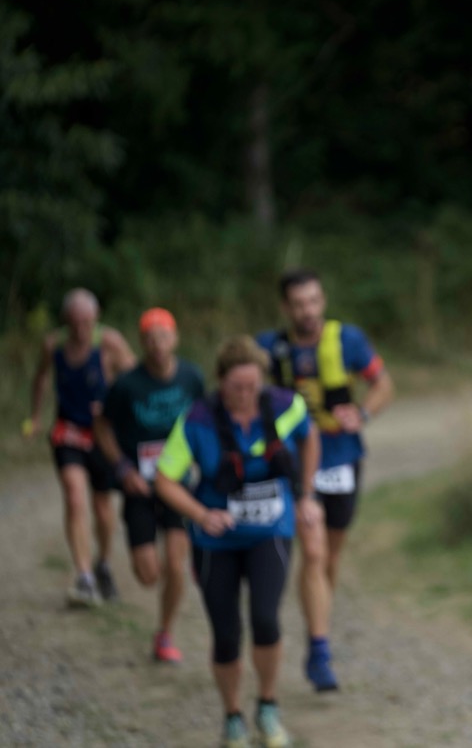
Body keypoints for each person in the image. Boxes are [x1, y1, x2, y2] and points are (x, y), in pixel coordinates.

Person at [154, 335, 317, 748]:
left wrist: (306, 494)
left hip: (271, 531)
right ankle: (232, 717)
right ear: (221, 381)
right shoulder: (197, 420)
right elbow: (164, 479)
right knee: (226, 634)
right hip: (216, 542)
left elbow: (310, 436)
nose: (245, 394)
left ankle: (268, 707)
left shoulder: (285, 405)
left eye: (252, 386)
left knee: (266, 618)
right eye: (236, 387)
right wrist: (201, 515)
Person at [256, 268, 394, 692]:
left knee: (329, 557)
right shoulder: (268, 348)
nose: (308, 311)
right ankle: (319, 649)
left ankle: (319, 626)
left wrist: (363, 412)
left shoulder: (348, 340)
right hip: (294, 462)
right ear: (286, 308)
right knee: (313, 552)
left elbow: (383, 384)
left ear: (323, 301)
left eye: (314, 301)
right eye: (299, 304)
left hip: (341, 458)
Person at [94, 308, 206, 662]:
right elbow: (102, 427)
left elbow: (205, 419)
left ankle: (165, 634)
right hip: (139, 487)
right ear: (141, 343)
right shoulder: (127, 384)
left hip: (177, 484)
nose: (158, 345)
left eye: (164, 336)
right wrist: (122, 467)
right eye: (150, 338)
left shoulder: (191, 377)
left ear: (175, 338)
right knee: (148, 575)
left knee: (175, 564)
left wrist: (204, 460)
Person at [26, 288, 136, 606]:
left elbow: (135, 383)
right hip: (68, 431)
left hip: (102, 435)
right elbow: (41, 377)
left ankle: (103, 563)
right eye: (74, 323)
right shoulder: (54, 345)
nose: (81, 329)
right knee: (75, 497)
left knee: (102, 507)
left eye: (87, 322)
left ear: (96, 318)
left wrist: (114, 409)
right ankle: (84, 577)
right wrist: (36, 416)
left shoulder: (110, 343)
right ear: (65, 321)